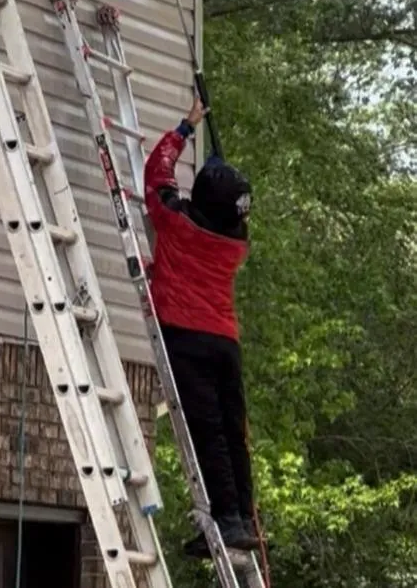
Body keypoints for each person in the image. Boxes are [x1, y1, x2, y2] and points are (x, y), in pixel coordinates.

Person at [144, 96, 261, 558]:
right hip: (224, 342)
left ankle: (228, 522)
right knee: (232, 430)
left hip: (186, 335)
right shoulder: (236, 241)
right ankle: (238, 519)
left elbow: (158, 175)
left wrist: (185, 128)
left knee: (208, 430)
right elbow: (218, 202)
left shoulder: (178, 222)